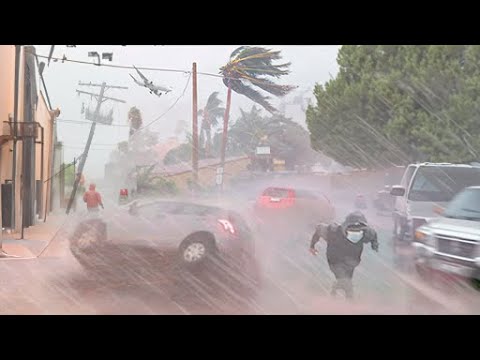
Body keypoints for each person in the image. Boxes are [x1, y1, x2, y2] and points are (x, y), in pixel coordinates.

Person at [309, 211, 379, 299]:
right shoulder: (333, 231)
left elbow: (373, 234)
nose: (356, 233)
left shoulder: (366, 233)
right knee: (346, 282)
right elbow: (319, 229)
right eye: (352, 229)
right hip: (335, 261)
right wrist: (312, 246)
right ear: (345, 226)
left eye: (359, 230)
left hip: (352, 262)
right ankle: (349, 302)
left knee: (346, 280)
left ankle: (337, 288)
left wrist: (374, 244)